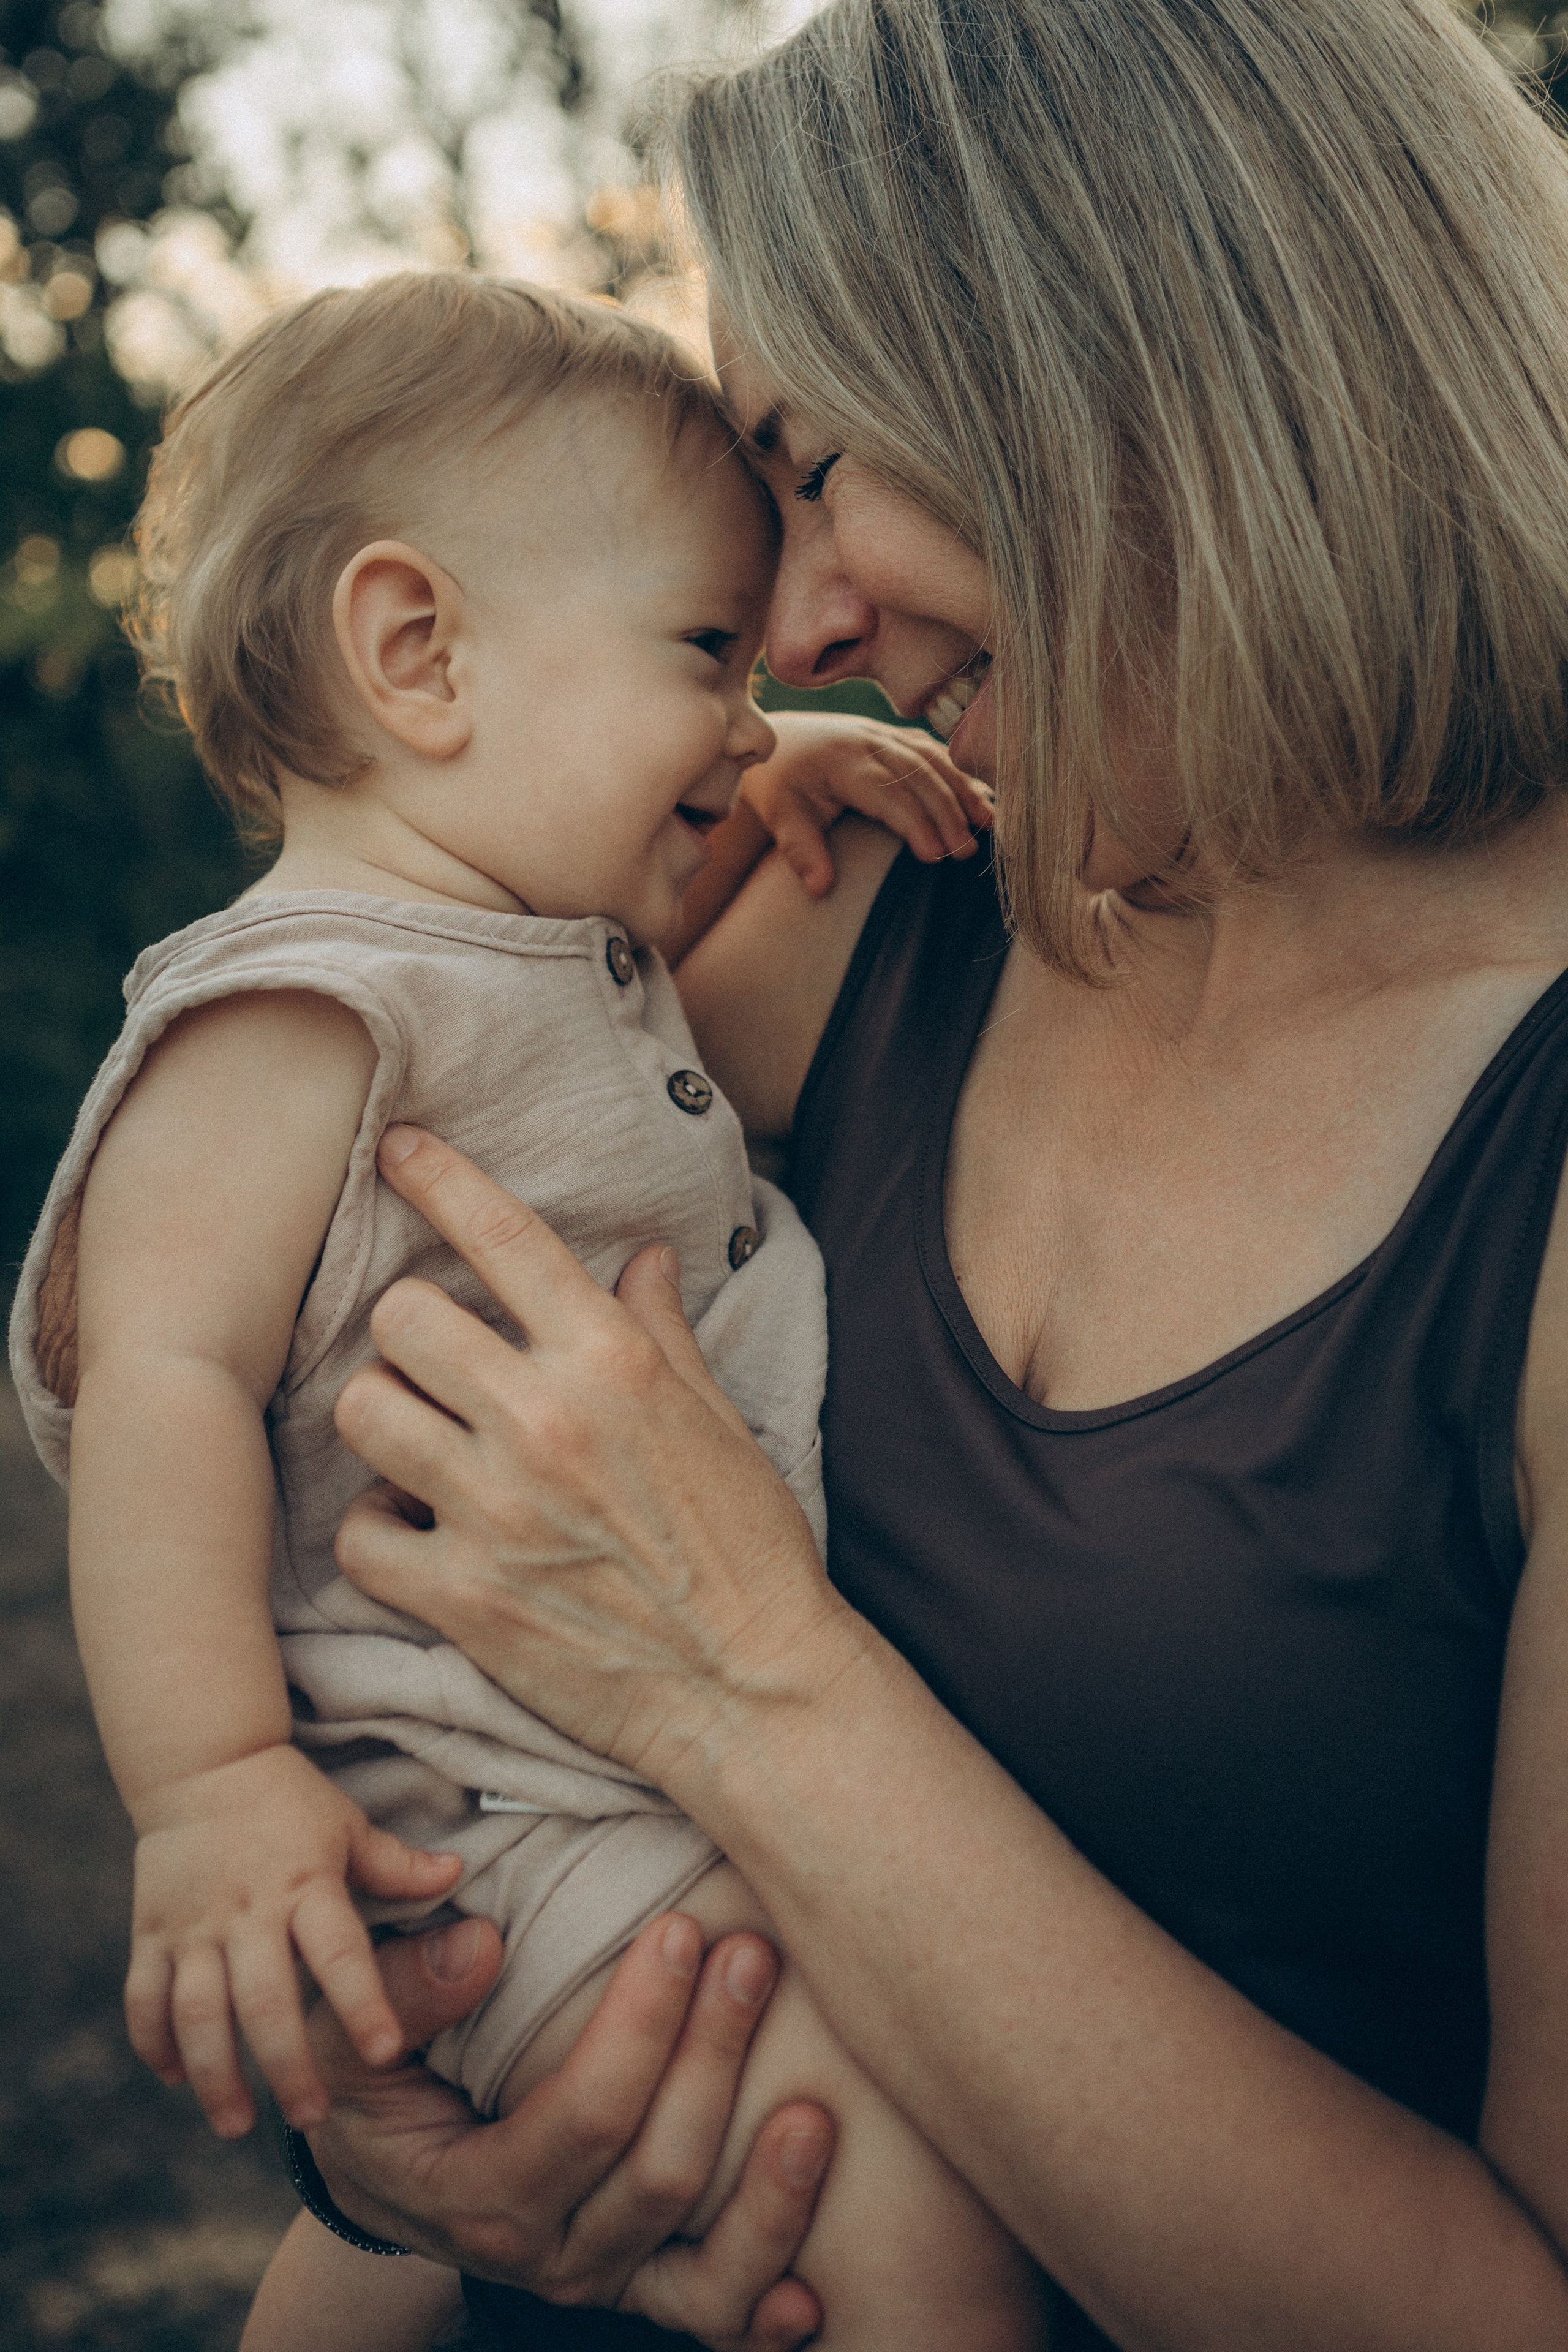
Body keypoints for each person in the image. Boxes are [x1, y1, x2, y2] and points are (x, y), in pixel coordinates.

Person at [263, 0, 1568, 2346]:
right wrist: (394, 2130)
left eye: (821, 464)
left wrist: (751, 1675)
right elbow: (315, 1488)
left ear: (1137, 364)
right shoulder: (834, 924)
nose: (791, 624)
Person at [6, 270, 1029, 2352]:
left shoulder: (510, 936)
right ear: (419, 656)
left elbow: (626, 980)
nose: (753, 713)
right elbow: (165, 1385)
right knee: (909, 2235)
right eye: (708, 653)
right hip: (491, 1814)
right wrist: (210, 1785)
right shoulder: (291, 1017)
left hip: (618, 1768)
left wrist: (760, 781)